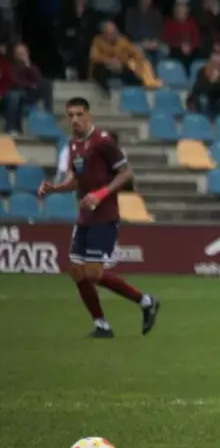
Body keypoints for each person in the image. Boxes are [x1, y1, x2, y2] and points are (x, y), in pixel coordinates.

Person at [37, 98, 160, 339]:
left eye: (79, 114)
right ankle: (101, 324)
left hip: (104, 217)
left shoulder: (103, 141)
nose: (74, 120)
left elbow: (126, 173)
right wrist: (55, 188)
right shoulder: (73, 145)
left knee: (93, 273)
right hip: (84, 218)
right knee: (76, 272)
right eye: (70, 115)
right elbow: (77, 181)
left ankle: (146, 301)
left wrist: (100, 194)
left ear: (89, 115)